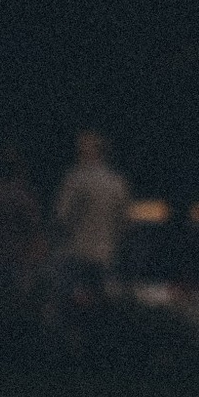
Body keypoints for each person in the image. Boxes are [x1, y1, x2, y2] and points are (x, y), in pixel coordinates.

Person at [46, 127, 131, 332]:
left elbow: (61, 219)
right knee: (102, 311)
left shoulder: (75, 179)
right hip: (105, 255)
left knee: (69, 312)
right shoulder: (117, 183)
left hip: (76, 254)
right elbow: (124, 224)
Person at [0, 152, 45, 343]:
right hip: (16, 252)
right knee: (15, 299)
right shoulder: (21, 194)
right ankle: (13, 342)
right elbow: (32, 223)